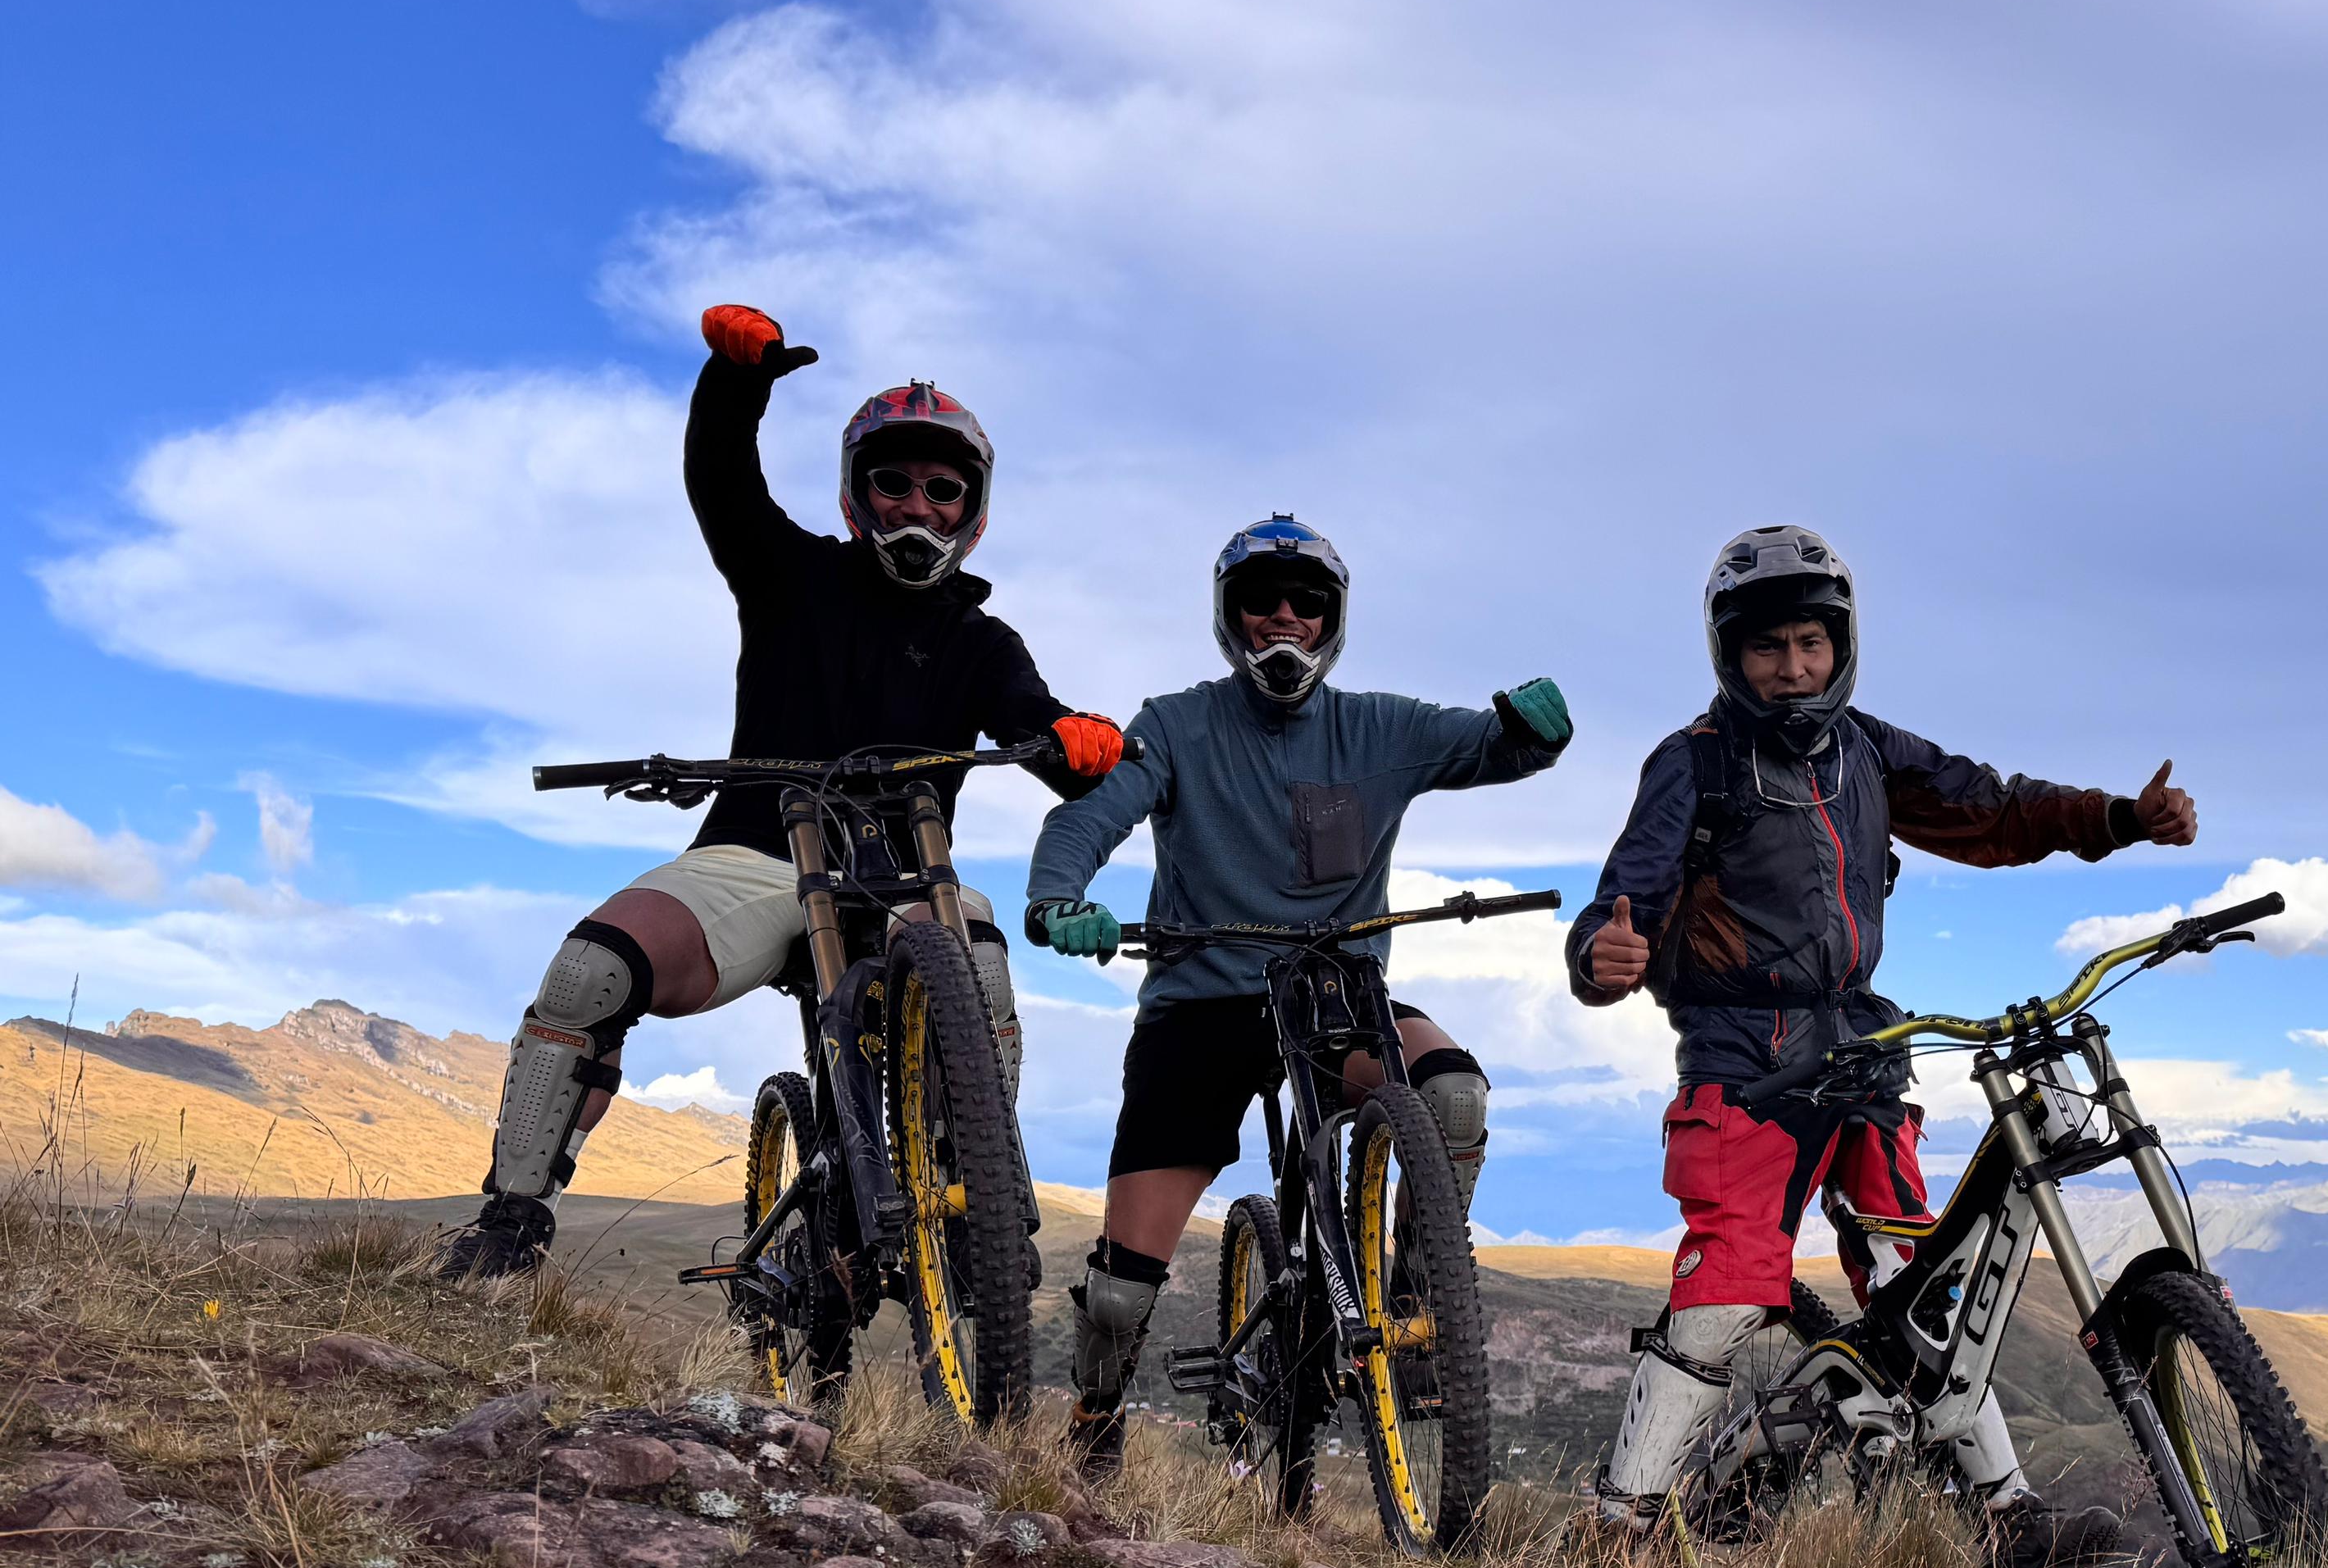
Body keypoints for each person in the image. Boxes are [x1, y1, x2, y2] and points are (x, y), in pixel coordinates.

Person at [1564, 525, 2198, 1568]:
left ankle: (2007, 1524)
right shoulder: (1693, 761)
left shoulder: (1865, 749)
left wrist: (2117, 821)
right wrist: (1603, 954)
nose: (1795, 667)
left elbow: (1987, 806)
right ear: (1731, 654)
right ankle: (1618, 1527)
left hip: (1864, 1053)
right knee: (1732, 1281)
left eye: (1812, 643)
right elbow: (1625, 894)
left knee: (1919, 1280)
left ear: (1841, 641)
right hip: (1742, 1062)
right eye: (1770, 649)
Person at [439, 305, 1124, 1279]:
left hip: (903, 886)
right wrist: (735, 381)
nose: (916, 506)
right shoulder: (790, 574)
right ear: (856, 493)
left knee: (971, 952)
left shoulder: (984, 641)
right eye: (893, 483)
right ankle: (509, 1223)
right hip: (755, 852)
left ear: (971, 508)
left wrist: (1072, 742)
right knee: (589, 973)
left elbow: (1034, 723)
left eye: (941, 488)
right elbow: (722, 484)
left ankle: (976, 1200)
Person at [1024, 516, 1573, 1459]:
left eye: (1306, 604)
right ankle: (1095, 1418)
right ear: (1228, 617)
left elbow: (1490, 746)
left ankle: (1410, 1304)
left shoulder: (1380, 728)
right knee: (1121, 1287)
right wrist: (1057, 896)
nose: (1284, 618)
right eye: (1261, 601)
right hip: (1198, 1001)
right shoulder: (1174, 723)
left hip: (1333, 998)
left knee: (1449, 1094)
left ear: (1332, 620)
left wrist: (1534, 731)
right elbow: (1094, 811)